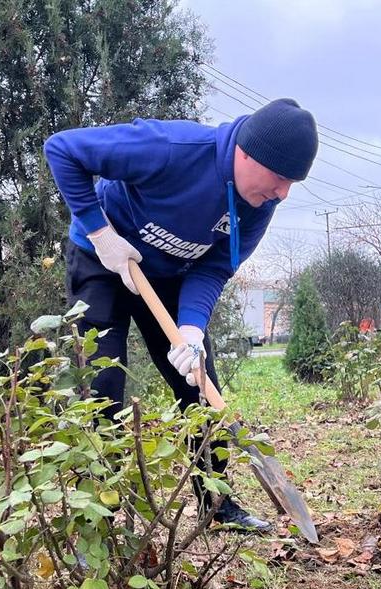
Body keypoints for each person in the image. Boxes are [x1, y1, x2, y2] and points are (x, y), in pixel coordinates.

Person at [44, 98, 319, 532]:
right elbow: (63, 149)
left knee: (197, 380)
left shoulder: (259, 205)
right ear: (248, 154)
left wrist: (191, 327)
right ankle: (102, 518)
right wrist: (100, 232)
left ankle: (217, 504)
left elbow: (215, 266)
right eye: (280, 178)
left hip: (168, 275)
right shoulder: (171, 147)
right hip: (103, 258)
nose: (283, 193)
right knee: (101, 382)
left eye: (292, 184)